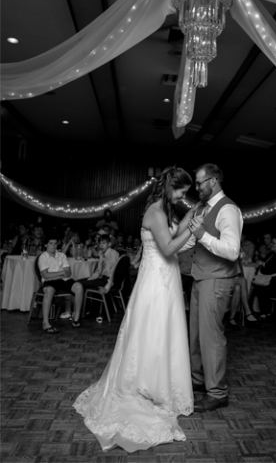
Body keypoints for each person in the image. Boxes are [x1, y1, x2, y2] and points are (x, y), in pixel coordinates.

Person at [73, 166, 203, 452]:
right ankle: (147, 387)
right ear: (170, 187)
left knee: (165, 334)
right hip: (155, 283)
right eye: (181, 191)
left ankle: (163, 387)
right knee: (153, 333)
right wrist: (192, 231)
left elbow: (174, 232)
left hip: (166, 279)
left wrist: (191, 216)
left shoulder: (165, 210)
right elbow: (168, 248)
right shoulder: (155, 212)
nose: (183, 197)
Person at [183, 163, 242, 413]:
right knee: (196, 334)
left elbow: (232, 251)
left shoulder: (228, 209)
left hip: (218, 279)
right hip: (200, 277)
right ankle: (199, 381)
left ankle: (217, 392)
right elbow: (190, 241)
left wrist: (203, 236)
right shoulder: (201, 207)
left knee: (212, 336)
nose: (196, 187)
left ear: (214, 181)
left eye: (199, 182)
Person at [38, 237, 84, 332]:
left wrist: (57, 274)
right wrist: (61, 272)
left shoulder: (62, 255)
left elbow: (68, 273)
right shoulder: (43, 257)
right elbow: (46, 275)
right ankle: (45, 323)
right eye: (51, 243)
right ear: (46, 245)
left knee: (79, 287)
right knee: (49, 290)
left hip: (63, 280)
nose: (53, 246)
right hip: (49, 281)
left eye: (55, 243)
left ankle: (76, 318)